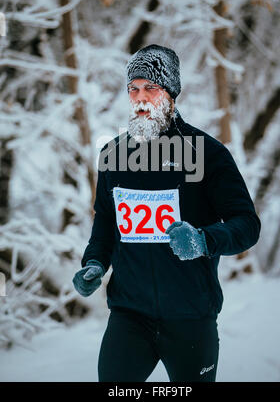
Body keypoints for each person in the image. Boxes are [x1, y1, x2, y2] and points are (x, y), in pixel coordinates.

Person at [72, 44, 261, 382]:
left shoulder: (206, 154)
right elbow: (105, 222)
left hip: (191, 317)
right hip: (129, 316)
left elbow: (247, 225)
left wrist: (204, 240)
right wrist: (95, 263)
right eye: (134, 89)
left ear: (171, 93)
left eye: (151, 88)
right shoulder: (113, 155)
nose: (141, 97)